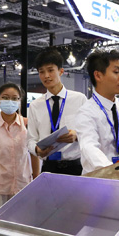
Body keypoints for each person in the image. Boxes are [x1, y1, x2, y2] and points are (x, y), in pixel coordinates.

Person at [75, 49, 119, 175]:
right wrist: (117, 173)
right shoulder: (86, 113)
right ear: (98, 76)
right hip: (100, 180)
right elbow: (90, 148)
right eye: (116, 72)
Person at [27, 47, 87, 176]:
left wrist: (76, 135)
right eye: (41, 72)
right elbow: (31, 139)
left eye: (50, 70)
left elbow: (91, 132)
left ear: (61, 71)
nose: (46, 76)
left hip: (74, 167)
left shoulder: (79, 99)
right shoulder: (35, 105)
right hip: (48, 167)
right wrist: (36, 149)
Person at [0, 83, 38, 210]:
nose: (10, 101)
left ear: (19, 102)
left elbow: (34, 153)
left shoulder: (27, 125)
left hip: (22, 185)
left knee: (21, 219)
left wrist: (36, 179)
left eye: (14, 98)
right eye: (5, 97)